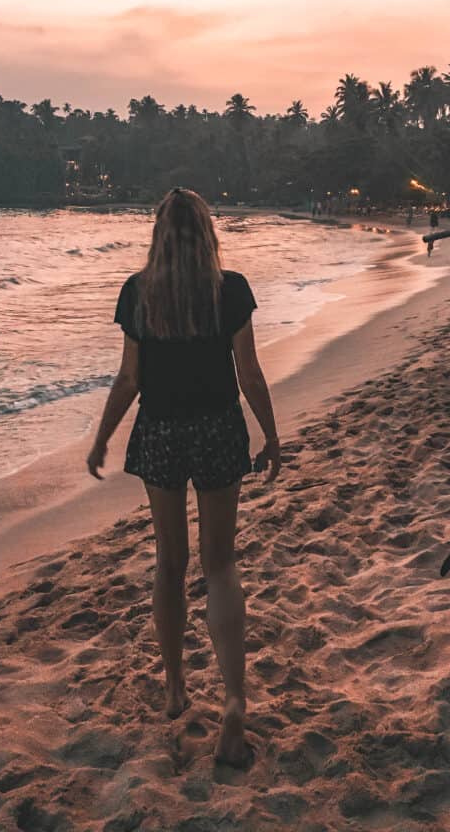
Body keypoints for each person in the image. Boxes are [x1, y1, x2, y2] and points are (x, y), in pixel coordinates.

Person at [86, 187, 280, 769]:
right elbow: (248, 371)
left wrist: (101, 438)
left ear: (158, 235)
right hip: (220, 428)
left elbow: (128, 380)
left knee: (170, 564)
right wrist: (272, 435)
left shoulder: (138, 293)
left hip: (162, 432)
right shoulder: (231, 290)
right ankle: (235, 698)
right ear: (207, 231)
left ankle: (175, 689)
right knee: (220, 562)